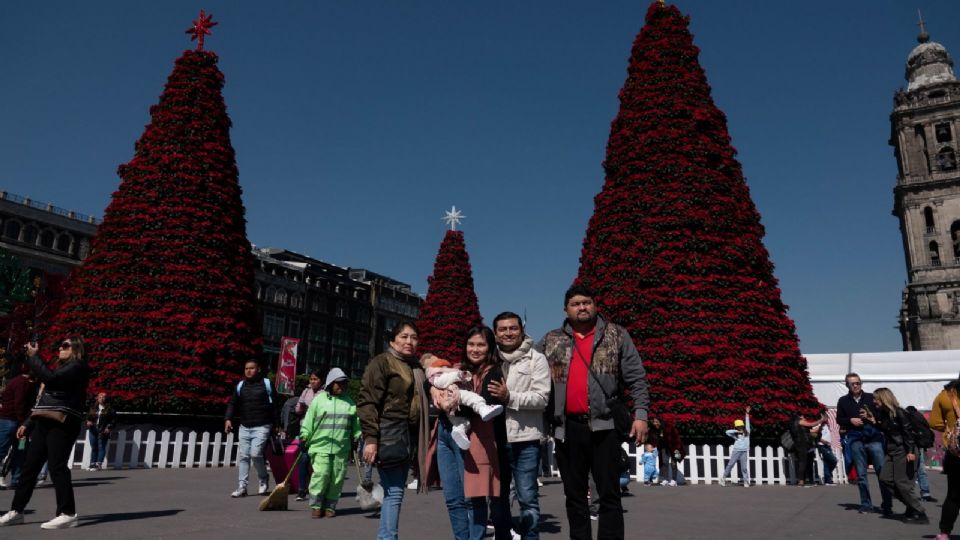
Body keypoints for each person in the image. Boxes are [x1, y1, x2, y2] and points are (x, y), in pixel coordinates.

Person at [539, 284, 650, 540]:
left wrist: (641, 415)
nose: (582, 307)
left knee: (609, 494)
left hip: (605, 426)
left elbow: (637, 378)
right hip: (567, 428)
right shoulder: (551, 339)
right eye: (575, 304)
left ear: (595, 305)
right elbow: (528, 368)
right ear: (565, 310)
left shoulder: (616, 335)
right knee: (575, 496)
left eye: (586, 302)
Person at [0, 337, 90, 529]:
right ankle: (17, 510)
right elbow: (44, 401)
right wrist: (28, 423)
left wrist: (34, 356)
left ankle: (68, 513)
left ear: (76, 349)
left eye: (65, 345)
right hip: (44, 421)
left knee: (57, 466)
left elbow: (50, 379)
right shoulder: (62, 368)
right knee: (29, 468)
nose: (60, 348)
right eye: (60, 345)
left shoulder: (77, 367)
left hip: (62, 422)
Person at [358, 322, 429, 540]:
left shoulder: (415, 366)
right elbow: (367, 400)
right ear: (392, 341)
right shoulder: (382, 362)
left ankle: (386, 536)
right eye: (404, 337)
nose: (409, 342)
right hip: (389, 431)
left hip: (408, 434)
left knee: (393, 490)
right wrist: (371, 438)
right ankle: (388, 537)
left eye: (414, 337)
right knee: (395, 491)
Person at [491, 311, 550, 540]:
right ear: (495, 333)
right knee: (497, 497)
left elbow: (542, 398)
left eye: (513, 328)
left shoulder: (536, 358)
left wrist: (510, 397)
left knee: (527, 498)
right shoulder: (489, 358)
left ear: (522, 330)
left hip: (525, 439)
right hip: (494, 438)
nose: (508, 333)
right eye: (503, 329)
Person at [860, 387, 928, 524]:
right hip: (891, 449)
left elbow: (908, 433)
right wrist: (873, 421)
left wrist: (910, 451)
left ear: (884, 398)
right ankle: (911, 506)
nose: (874, 402)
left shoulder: (899, 412)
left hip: (903, 449)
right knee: (885, 478)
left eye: (876, 399)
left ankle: (920, 512)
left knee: (902, 483)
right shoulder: (884, 413)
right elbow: (888, 430)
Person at [299, 367, 361, 518]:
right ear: (330, 383)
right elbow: (309, 420)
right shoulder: (318, 401)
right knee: (321, 474)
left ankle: (330, 506)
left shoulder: (350, 403)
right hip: (320, 445)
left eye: (344, 384)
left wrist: (357, 435)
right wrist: (304, 435)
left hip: (341, 447)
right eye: (338, 383)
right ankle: (316, 505)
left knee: (337, 478)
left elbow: (355, 424)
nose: (341, 386)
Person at [836, 372, 893, 514]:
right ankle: (866, 504)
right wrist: (850, 420)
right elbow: (839, 419)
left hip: (873, 438)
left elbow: (881, 416)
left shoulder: (870, 398)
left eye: (858, 383)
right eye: (852, 383)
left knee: (881, 472)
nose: (856, 386)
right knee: (861, 474)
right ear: (847, 385)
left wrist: (871, 417)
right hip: (855, 439)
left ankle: (887, 505)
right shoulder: (843, 401)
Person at [421, 353, 503, 450]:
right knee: (472, 398)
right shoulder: (438, 377)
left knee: (460, 420)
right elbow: (444, 380)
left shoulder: (434, 379)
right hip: (455, 394)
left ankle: (459, 430)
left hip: (449, 406)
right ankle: (482, 408)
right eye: (443, 367)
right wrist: (458, 375)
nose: (446, 368)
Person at [224, 360, 276, 498]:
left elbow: (275, 405)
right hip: (244, 426)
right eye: (246, 368)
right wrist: (228, 418)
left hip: (263, 425)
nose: (248, 371)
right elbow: (233, 403)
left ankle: (263, 478)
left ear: (258, 369)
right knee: (243, 456)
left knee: (255, 453)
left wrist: (276, 425)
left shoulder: (267, 384)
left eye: (252, 368)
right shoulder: (241, 385)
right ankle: (242, 487)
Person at [930, 378, 960, 540]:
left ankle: (944, 533)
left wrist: (950, 427)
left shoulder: (945, 396)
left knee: (953, 495)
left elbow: (934, 423)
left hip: (956, 454)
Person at [0, 364, 35, 489]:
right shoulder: (22, 383)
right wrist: (23, 423)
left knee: (13, 450)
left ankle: (16, 480)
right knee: (18, 451)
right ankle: (16, 480)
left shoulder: (17, 382)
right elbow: (19, 403)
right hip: (13, 422)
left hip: (9, 421)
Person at [292, 371, 323, 501]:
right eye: (311, 379)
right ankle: (301, 489)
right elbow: (297, 409)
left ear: (321, 380)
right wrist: (302, 406)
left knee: (316, 462)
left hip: (320, 431)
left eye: (315, 379)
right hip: (305, 429)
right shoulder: (306, 392)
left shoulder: (325, 394)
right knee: (303, 459)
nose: (312, 381)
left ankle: (317, 488)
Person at [904, 405, 936, 502]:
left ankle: (904, 492)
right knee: (921, 469)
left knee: (906, 469)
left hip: (910, 445)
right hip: (920, 444)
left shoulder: (907, 416)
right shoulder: (919, 416)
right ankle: (925, 493)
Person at [720, 407, 751, 487]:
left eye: (741, 426)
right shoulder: (735, 434)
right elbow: (727, 432)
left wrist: (747, 413)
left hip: (744, 451)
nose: (740, 427)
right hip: (736, 451)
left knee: (744, 468)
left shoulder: (747, 431)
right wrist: (737, 431)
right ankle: (723, 478)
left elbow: (747, 422)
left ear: (743, 425)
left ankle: (746, 481)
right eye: (738, 426)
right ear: (736, 427)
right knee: (730, 465)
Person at [84, 392, 115, 471]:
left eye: (104, 397)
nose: (102, 398)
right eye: (100, 397)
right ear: (97, 398)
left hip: (103, 430)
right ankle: (92, 463)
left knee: (101, 446)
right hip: (93, 429)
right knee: (94, 446)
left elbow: (113, 420)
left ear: (106, 399)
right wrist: (88, 422)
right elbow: (88, 417)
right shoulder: (93, 407)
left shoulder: (110, 408)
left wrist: (109, 428)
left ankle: (99, 464)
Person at [649, 417, 684, 487]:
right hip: (664, 448)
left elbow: (676, 437)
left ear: (660, 422)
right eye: (654, 422)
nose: (655, 423)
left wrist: (677, 449)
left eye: (656, 421)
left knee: (674, 463)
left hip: (674, 447)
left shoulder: (668, 427)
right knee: (664, 462)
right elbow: (655, 439)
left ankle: (674, 480)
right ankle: (665, 479)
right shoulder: (655, 430)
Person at [789, 414, 820, 487]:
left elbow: (812, 431)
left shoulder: (798, 425)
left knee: (803, 462)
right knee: (803, 462)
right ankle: (801, 481)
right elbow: (811, 424)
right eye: (802, 416)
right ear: (799, 417)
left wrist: (819, 426)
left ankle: (803, 480)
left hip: (800, 445)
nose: (804, 418)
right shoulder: (799, 422)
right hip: (802, 445)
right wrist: (821, 420)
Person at [812, 413, 838, 485]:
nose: (827, 419)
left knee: (827, 463)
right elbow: (815, 435)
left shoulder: (827, 425)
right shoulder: (818, 425)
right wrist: (823, 441)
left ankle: (828, 479)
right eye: (825, 417)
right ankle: (828, 477)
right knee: (834, 460)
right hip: (822, 445)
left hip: (827, 445)